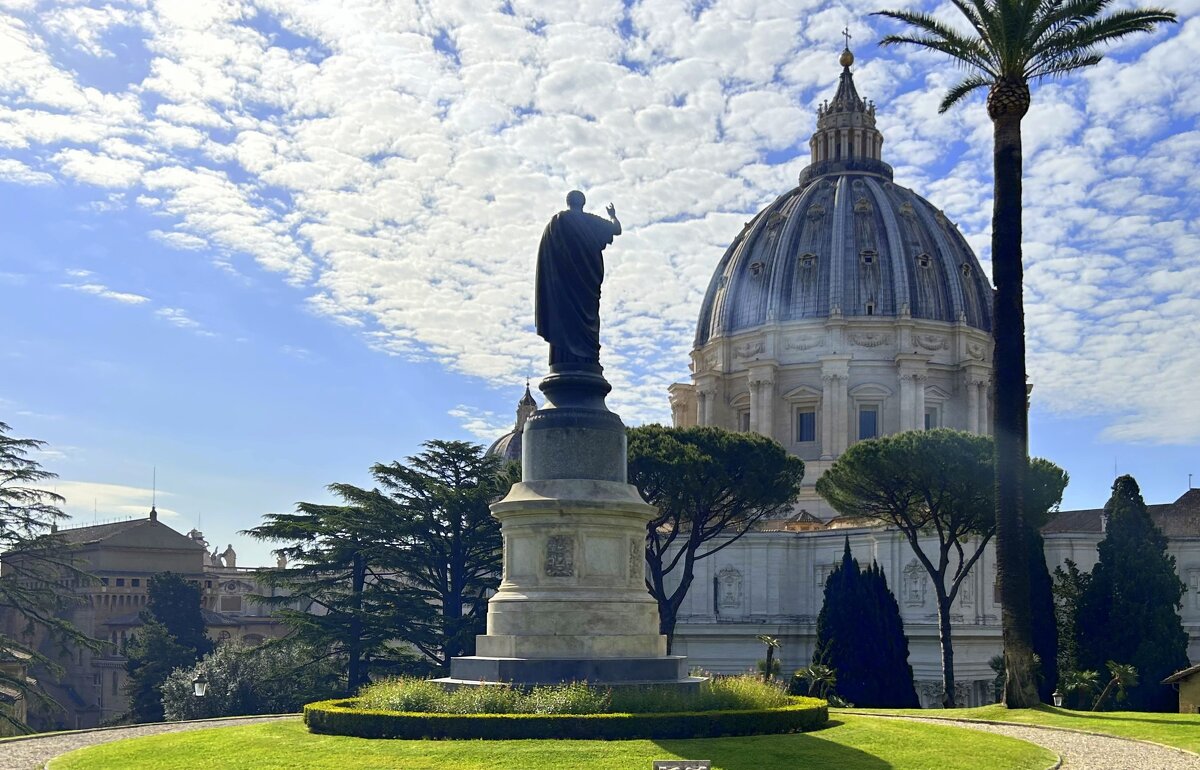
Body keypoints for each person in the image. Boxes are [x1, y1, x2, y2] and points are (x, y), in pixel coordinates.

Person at [534, 190, 621, 367]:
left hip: (563, 285)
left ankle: (564, 361)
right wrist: (613, 216)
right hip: (588, 284)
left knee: (563, 318)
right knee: (588, 319)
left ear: (568, 202)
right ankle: (587, 359)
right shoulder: (592, 221)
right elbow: (616, 228)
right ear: (583, 203)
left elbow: (546, 257)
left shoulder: (557, 222)